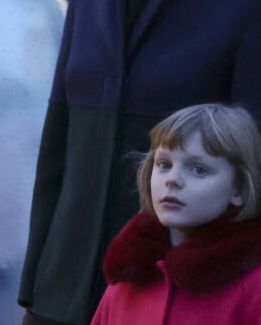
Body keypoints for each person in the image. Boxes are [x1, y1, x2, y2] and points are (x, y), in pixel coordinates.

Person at [19, 0, 261, 324]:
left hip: (177, 292)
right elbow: (58, 144)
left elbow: (253, 163)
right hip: (63, 288)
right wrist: (37, 279)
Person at [91, 103, 261, 324]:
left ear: (238, 188)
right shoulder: (128, 278)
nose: (172, 179)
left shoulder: (254, 287)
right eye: (164, 164)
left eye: (199, 169)